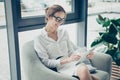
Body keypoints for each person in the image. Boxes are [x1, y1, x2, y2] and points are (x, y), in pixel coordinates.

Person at [34, 4, 99, 80]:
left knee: (95, 78)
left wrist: (84, 56)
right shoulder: (39, 38)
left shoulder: (63, 32)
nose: (59, 23)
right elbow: (46, 62)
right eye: (58, 19)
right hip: (60, 67)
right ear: (49, 17)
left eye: (62, 20)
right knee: (84, 70)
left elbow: (71, 52)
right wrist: (66, 60)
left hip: (72, 63)